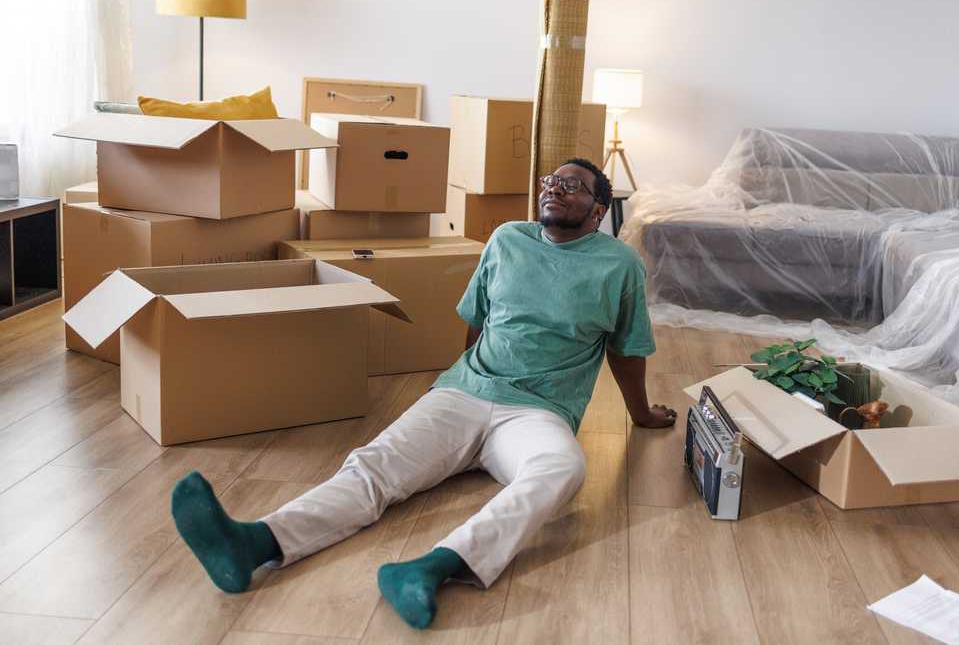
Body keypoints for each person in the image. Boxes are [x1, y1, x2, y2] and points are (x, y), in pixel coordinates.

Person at [170, 157, 676, 630]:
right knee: (376, 464)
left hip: (539, 412)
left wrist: (642, 415)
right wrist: (459, 378)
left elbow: (626, 352)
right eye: (549, 181)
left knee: (563, 469)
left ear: (598, 208)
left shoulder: (618, 265)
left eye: (571, 186)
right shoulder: (506, 240)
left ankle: (434, 566)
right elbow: (477, 321)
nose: (554, 189)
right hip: (466, 391)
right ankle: (256, 542)